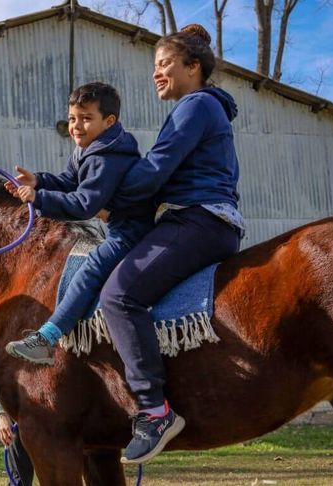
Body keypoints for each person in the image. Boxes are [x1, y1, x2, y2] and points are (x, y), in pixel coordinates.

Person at [97, 24, 244, 464]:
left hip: (198, 219)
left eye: (165, 64)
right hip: (204, 218)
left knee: (118, 296)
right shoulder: (199, 107)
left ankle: (155, 410)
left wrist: (99, 196)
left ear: (193, 68)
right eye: (154, 66)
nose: (156, 73)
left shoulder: (195, 105)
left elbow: (155, 170)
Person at [4, 81, 154, 365]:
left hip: (133, 230)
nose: (76, 126)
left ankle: (48, 336)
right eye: (73, 118)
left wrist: (38, 198)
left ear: (109, 122)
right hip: (120, 226)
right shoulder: (88, 149)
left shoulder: (106, 158)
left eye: (87, 119)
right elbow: (69, 181)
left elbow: (85, 204)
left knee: (91, 269)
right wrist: (40, 180)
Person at [0, 386, 34, 485]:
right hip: (18, 414)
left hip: (57, 416)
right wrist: (2, 414)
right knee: (19, 479)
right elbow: (1, 372)